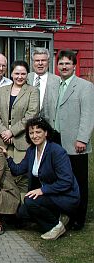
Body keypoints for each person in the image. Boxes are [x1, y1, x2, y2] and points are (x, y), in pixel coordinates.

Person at [41, 50, 94, 230]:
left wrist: (82, 139)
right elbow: (48, 111)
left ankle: (78, 218)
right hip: (55, 138)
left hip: (75, 141)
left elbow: (88, 115)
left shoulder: (84, 86)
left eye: (67, 63)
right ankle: (62, 213)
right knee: (60, 178)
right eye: (61, 64)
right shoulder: (54, 84)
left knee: (78, 180)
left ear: (74, 66)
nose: (64, 67)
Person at [4, 117, 80, 240]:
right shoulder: (31, 150)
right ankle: (58, 216)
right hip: (50, 195)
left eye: (38, 132)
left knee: (29, 201)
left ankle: (55, 226)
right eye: (31, 132)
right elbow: (18, 170)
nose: (34, 136)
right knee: (21, 213)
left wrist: (42, 190)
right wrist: (7, 157)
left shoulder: (56, 151)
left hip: (65, 195)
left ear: (46, 133)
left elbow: (66, 181)